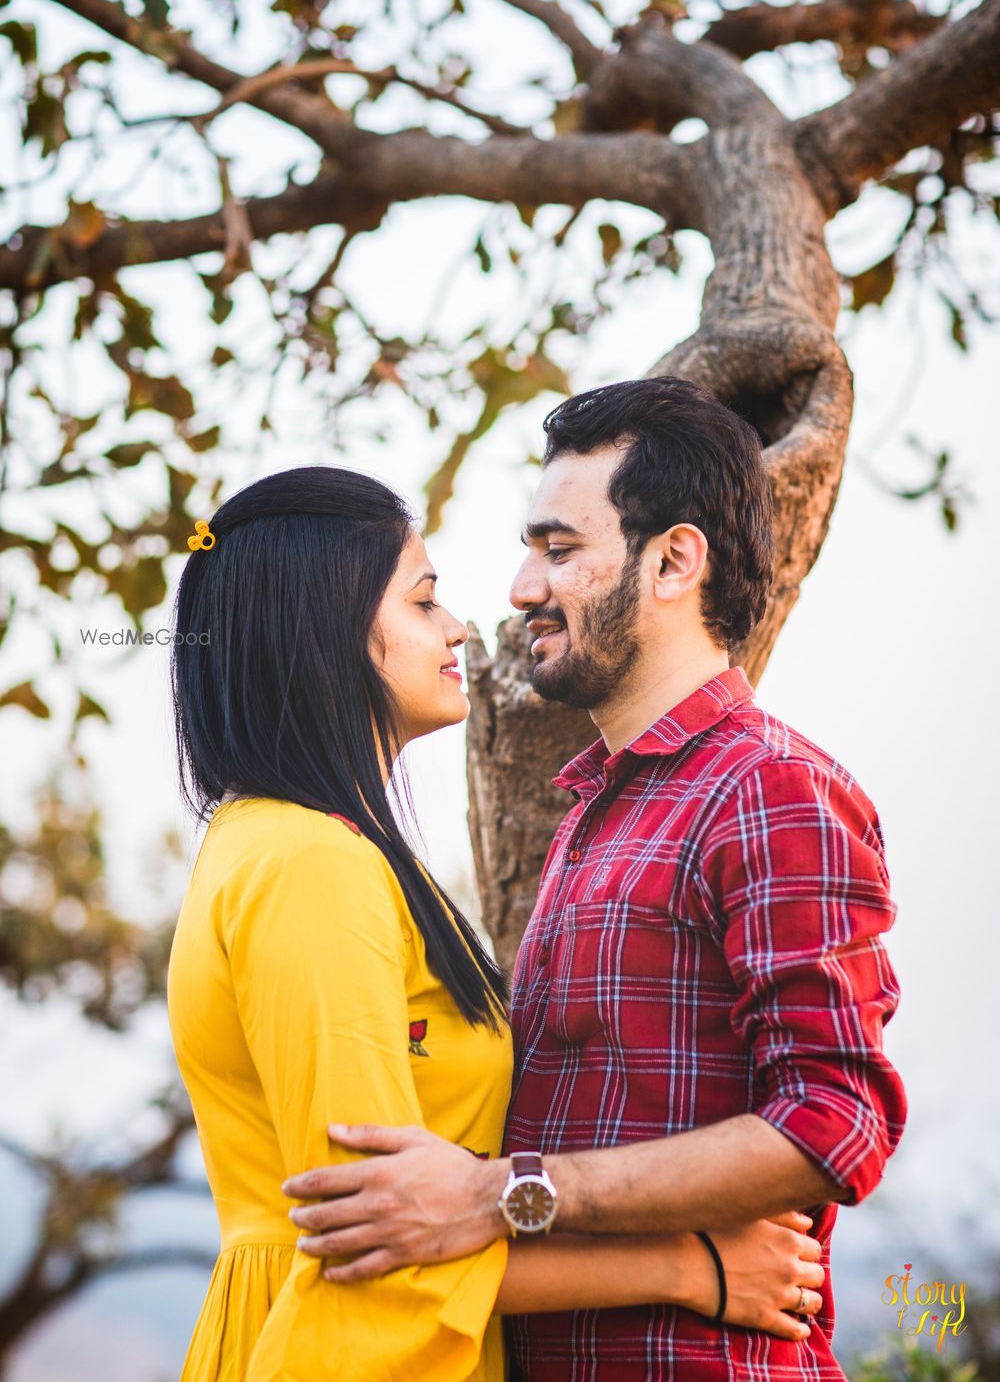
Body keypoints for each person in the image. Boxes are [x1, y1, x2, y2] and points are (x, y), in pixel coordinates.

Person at [282, 379, 908, 1381]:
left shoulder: (771, 790)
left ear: (673, 561)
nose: (523, 586)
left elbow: (835, 1126)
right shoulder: (590, 814)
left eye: (559, 549)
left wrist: (504, 1193)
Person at [166, 462, 826, 1382]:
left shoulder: (313, 846)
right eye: (424, 601)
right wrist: (695, 1267)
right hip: (332, 1347)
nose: (461, 627)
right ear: (325, 628)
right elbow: (379, 1234)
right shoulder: (304, 861)